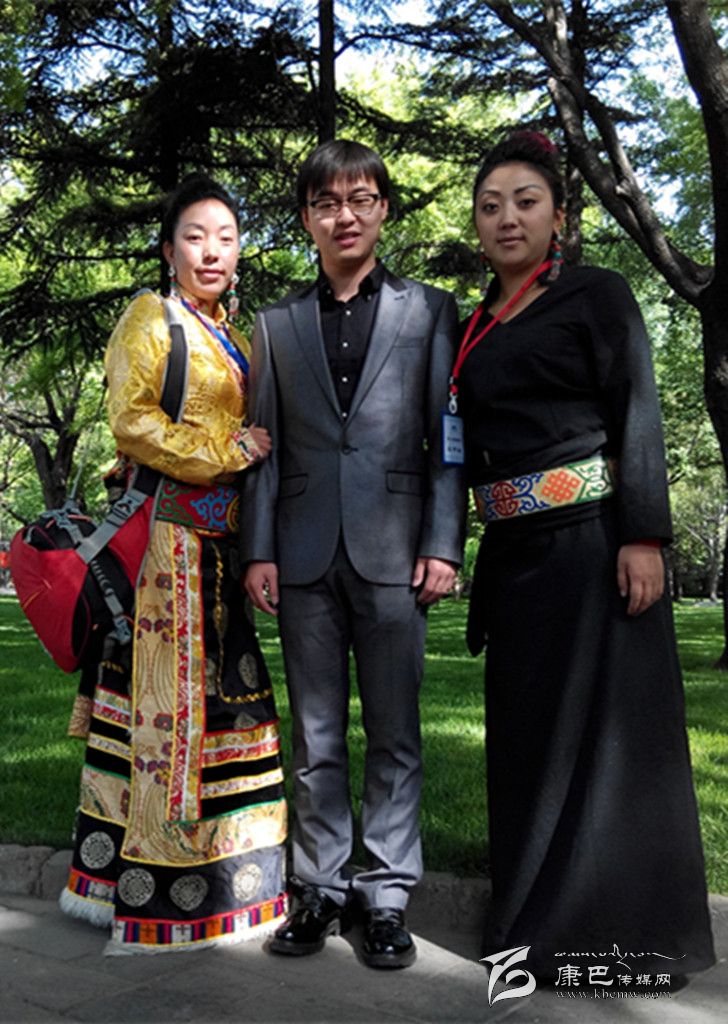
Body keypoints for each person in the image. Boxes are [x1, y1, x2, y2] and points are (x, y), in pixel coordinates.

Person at [456, 130, 715, 985]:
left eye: (525, 202)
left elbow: (638, 405)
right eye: (491, 205)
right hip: (514, 562)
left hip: (595, 548)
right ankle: (529, 924)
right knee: (529, 744)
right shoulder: (472, 327)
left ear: (559, 217)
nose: (507, 218)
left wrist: (645, 535)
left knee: (609, 744)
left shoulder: (597, 295)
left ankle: (622, 940)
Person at [240, 140, 466, 968]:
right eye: (328, 202)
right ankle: (319, 890)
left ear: (383, 209)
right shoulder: (275, 324)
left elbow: (447, 436)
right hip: (300, 556)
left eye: (361, 199)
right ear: (307, 217)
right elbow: (262, 446)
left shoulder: (429, 311)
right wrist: (258, 549)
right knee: (316, 735)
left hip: (397, 551)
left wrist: (444, 542)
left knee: (396, 731)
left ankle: (387, 896)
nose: (346, 215)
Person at [60, 174, 288, 954]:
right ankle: (160, 897)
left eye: (226, 237)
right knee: (170, 719)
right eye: (195, 236)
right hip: (166, 551)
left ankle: (237, 883)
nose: (212, 251)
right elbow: (133, 423)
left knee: (228, 706)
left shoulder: (240, 337)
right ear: (168, 250)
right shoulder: (150, 318)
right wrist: (231, 449)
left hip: (223, 552)